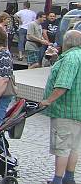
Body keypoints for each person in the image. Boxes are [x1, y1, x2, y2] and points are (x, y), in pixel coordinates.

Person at [40, 30, 81, 184]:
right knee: (74, 147)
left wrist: (48, 101)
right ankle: (69, 179)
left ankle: (57, 180)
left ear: (67, 42)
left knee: (62, 148)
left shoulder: (70, 58)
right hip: (78, 110)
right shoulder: (78, 55)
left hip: (65, 110)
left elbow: (63, 85)